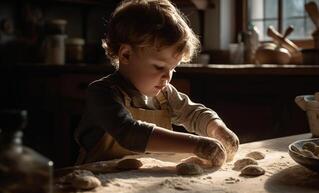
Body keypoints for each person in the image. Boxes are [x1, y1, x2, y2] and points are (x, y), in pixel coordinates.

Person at [74, 0, 239, 169]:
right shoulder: (102, 93)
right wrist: (196, 145)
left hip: (144, 183)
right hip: (100, 181)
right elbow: (130, 133)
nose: (167, 77)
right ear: (126, 55)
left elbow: (194, 114)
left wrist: (218, 129)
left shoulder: (165, 94)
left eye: (173, 69)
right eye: (159, 67)